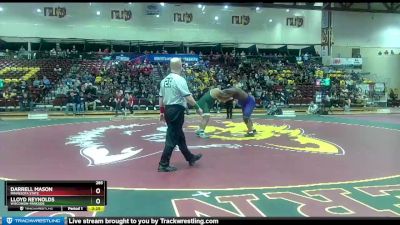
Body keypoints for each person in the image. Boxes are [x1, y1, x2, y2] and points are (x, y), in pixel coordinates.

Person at [158, 58, 203, 172]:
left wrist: (162, 112)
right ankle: (163, 164)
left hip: (168, 109)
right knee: (172, 137)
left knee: (179, 136)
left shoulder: (164, 81)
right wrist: (197, 107)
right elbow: (187, 96)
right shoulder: (179, 79)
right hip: (176, 110)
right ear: (180, 66)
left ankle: (190, 157)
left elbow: (161, 98)